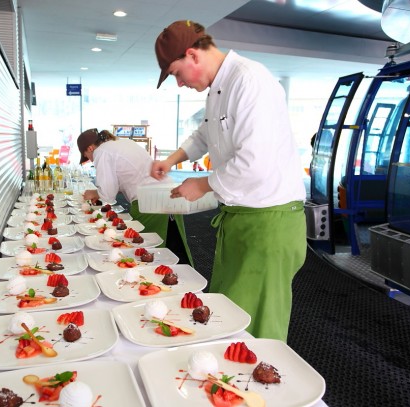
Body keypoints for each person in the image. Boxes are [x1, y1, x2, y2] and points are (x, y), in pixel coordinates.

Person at [150, 20, 306, 341]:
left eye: (177, 74)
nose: (179, 84)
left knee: (256, 326)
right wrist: (170, 161)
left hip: (268, 224)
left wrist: (202, 184)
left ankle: (257, 389)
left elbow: (254, 163)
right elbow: (205, 134)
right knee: (229, 313)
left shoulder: (250, 81)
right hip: (240, 220)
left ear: (193, 55)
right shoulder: (218, 89)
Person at [77, 128, 193, 266]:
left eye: (88, 157)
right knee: (174, 247)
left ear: (90, 148)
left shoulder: (101, 152)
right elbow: (126, 179)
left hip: (149, 201)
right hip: (169, 193)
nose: (91, 160)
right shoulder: (122, 142)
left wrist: (93, 193)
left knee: (139, 253)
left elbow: (107, 195)